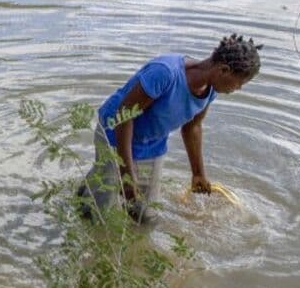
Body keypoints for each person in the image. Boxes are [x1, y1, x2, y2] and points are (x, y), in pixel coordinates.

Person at [80, 34, 262, 222]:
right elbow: (123, 117)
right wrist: (127, 172)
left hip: (152, 141)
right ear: (224, 70)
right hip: (115, 133)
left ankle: (92, 186)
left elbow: (192, 128)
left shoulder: (211, 89)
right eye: (240, 82)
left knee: (145, 214)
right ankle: (87, 198)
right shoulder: (165, 73)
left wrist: (198, 173)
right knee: (97, 212)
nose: (238, 88)